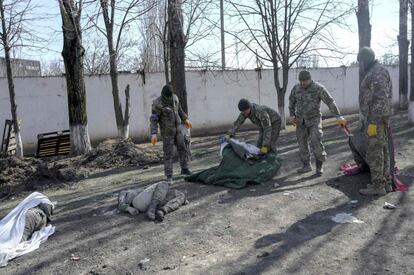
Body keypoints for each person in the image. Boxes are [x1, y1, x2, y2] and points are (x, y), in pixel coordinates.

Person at [289, 70, 347, 176]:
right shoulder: (296, 88)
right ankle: (306, 165)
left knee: (316, 141)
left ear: (310, 79)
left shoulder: (318, 88)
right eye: (301, 81)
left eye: (305, 81)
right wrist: (292, 115)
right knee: (302, 144)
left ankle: (319, 166)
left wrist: (338, 116)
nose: (303, 83)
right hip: (300, 121)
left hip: (314, 120)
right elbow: (291, 101)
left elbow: (330, 101)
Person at [357, 47, 393, 196]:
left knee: (375, 151)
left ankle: (378, 186)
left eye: (360, 62)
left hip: (375, 119)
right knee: (383, 149)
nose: (360, 65)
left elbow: (379, 98)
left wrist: (371, 119)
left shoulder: (375, 73)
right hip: (380, 118)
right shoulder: (379, 70)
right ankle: (386, 182)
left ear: (366, 60)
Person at [150, 85, 193, 182]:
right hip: (167, 132)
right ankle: (169, 175)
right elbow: (153, 119)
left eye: (170, 96)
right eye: (167, 96)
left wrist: (185, 119)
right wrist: (153, 133)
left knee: (183, 149)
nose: (169, 98)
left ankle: (184, 168)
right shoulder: (157, 103)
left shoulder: (175, 98)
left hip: (178, 129)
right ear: (163, 95)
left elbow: (180, 111)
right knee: (168, 154)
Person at [118, 181, 188, 221]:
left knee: (180, 194)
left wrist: (181, 200)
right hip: (138, 202)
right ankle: (152, 208)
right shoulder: (127, 192)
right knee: (164, 183)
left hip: (154, 200)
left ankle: (163, 210)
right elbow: (120, 203)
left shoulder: (145, 190)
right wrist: (128, 208)